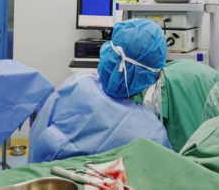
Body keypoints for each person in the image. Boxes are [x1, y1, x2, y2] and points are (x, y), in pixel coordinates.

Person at [29, 19, 172, 163]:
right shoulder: (152, 131)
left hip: (46, 174)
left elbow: (38, 135)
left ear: (109, 53)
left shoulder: (76, 84)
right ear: (153, 77)